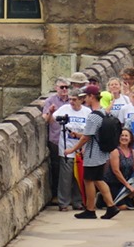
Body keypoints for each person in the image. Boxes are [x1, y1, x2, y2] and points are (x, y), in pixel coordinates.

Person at [69, 87, 123, 219]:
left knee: (91, 180)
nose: (84, 100)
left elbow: (87, 137)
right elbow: (93, 134)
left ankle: (94, 209)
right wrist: (79, 135)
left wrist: (72, 149)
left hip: (93, 153)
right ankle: (107, 207)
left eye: (85, 97)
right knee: (96, 180)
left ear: (91, 97)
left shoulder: (93, 116)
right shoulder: (104, 112)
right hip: (102, 152)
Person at [54, 86, 89, 212]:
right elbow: (54, 119)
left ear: (81, 99)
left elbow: (89, 132)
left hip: (81, 151)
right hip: (66, 148)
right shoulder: (64, 109)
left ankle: (78, 201)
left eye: (74, 99)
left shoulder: (87, 112)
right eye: (70, 99)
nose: (71, 102)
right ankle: (63, 202)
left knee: (78, 177)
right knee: (65, 178)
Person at [43, 78, 74, 211]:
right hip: (56, 139)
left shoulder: (72, 100)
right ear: (56, 88)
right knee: (57, 168)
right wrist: (50, 111)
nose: (65, 90)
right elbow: (46, 120)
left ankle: (71, 196)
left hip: (72, 141)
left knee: (72, 169)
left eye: (67, 87)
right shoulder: (51, 101)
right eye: (62, 87)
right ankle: (57, 195)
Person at [106, 126, 134, 217]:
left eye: (126, 136)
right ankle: (103, 199)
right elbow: (116, 171)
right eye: (122, 135)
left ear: (130, 139)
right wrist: (127, 185)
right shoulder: (115, 151)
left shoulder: (132, 151)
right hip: (115, 182)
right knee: (122, 207)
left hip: (126, 181)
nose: (124, 138)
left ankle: (128, 198)